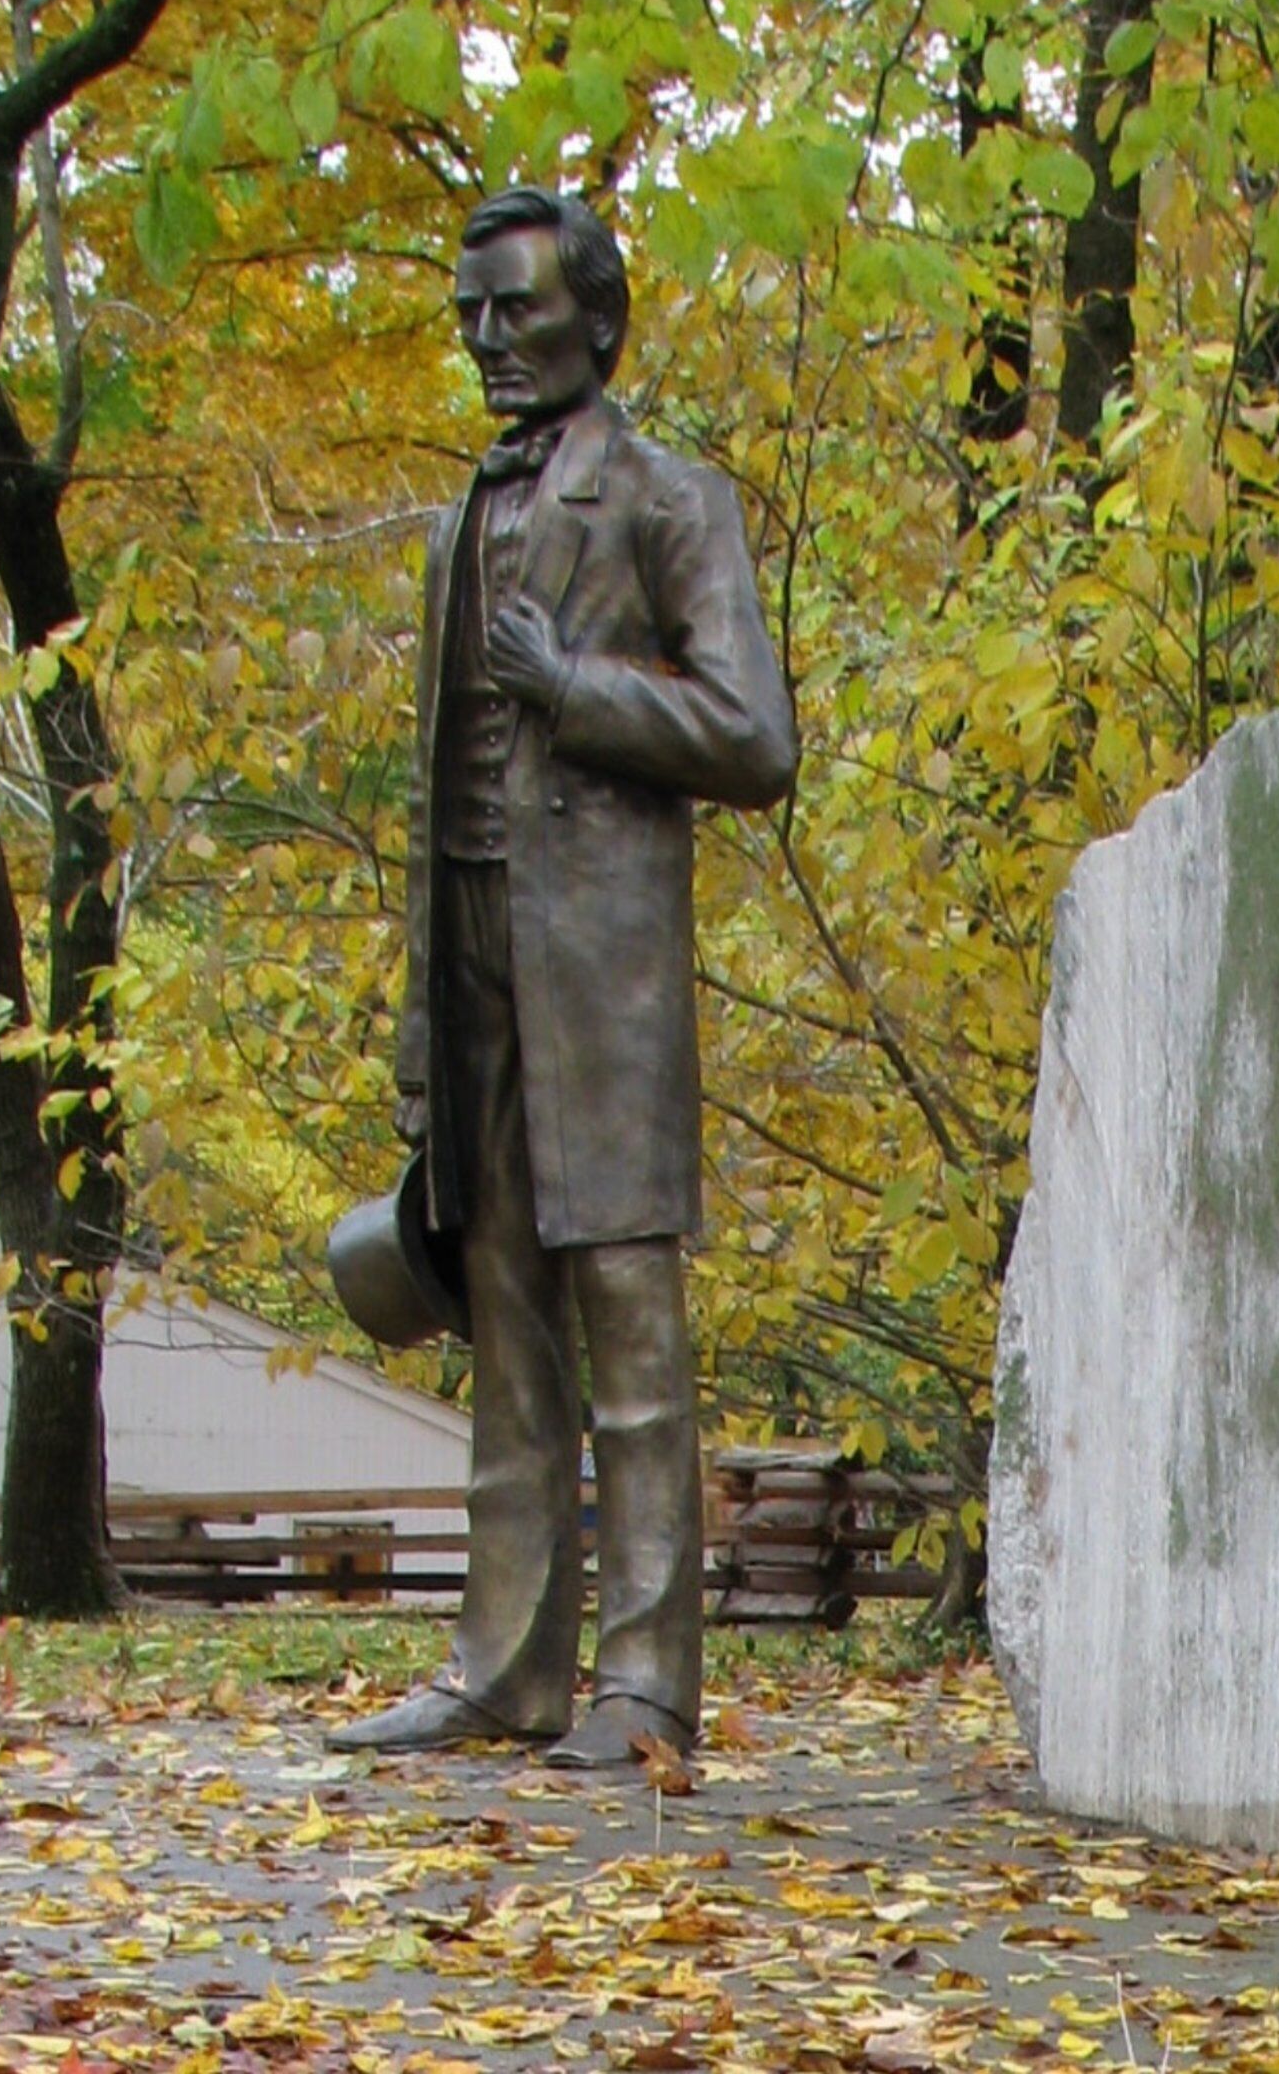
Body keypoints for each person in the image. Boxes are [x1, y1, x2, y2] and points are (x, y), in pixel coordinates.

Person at [330, 186, 798, 1769]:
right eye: (469, 313)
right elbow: (433, 798)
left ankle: (646, 1686)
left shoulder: (670, 499)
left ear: (595, 319)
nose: (487, 338)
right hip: (476, 962)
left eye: (515, 309)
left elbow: (755, 739)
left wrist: (572, 686)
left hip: (604, 980)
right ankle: (505, 1670)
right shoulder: (461, 520)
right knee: (507, 1328)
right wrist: (422, 1033)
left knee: (631, 1329)